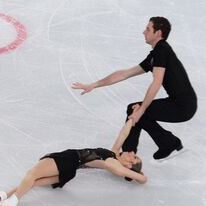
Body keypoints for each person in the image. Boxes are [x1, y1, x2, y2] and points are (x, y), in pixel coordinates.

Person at [72, 17, 197, 160]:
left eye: (148, 29)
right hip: (181, 104)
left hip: (182, 106)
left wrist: (142, 109)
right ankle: (131, 154)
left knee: (138, 111)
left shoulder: (162, 50)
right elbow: (125, 73)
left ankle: (161, 146)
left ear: (158, 33)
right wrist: (94, 85)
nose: (143, 32)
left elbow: (156, 82)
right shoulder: (155, 54)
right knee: (135, 109)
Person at [0, 116, 147, 206]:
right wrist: (132, 118)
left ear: (129, 164)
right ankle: (3, 195)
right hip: (71, 170)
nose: (132, 152)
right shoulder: (114, 154)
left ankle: (10, 204)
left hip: (68, 159)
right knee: (33, 181)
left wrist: (141, 177)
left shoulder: (114, 163)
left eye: (134, 157)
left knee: (31, 174)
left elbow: (119, 170)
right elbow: (122, 135)